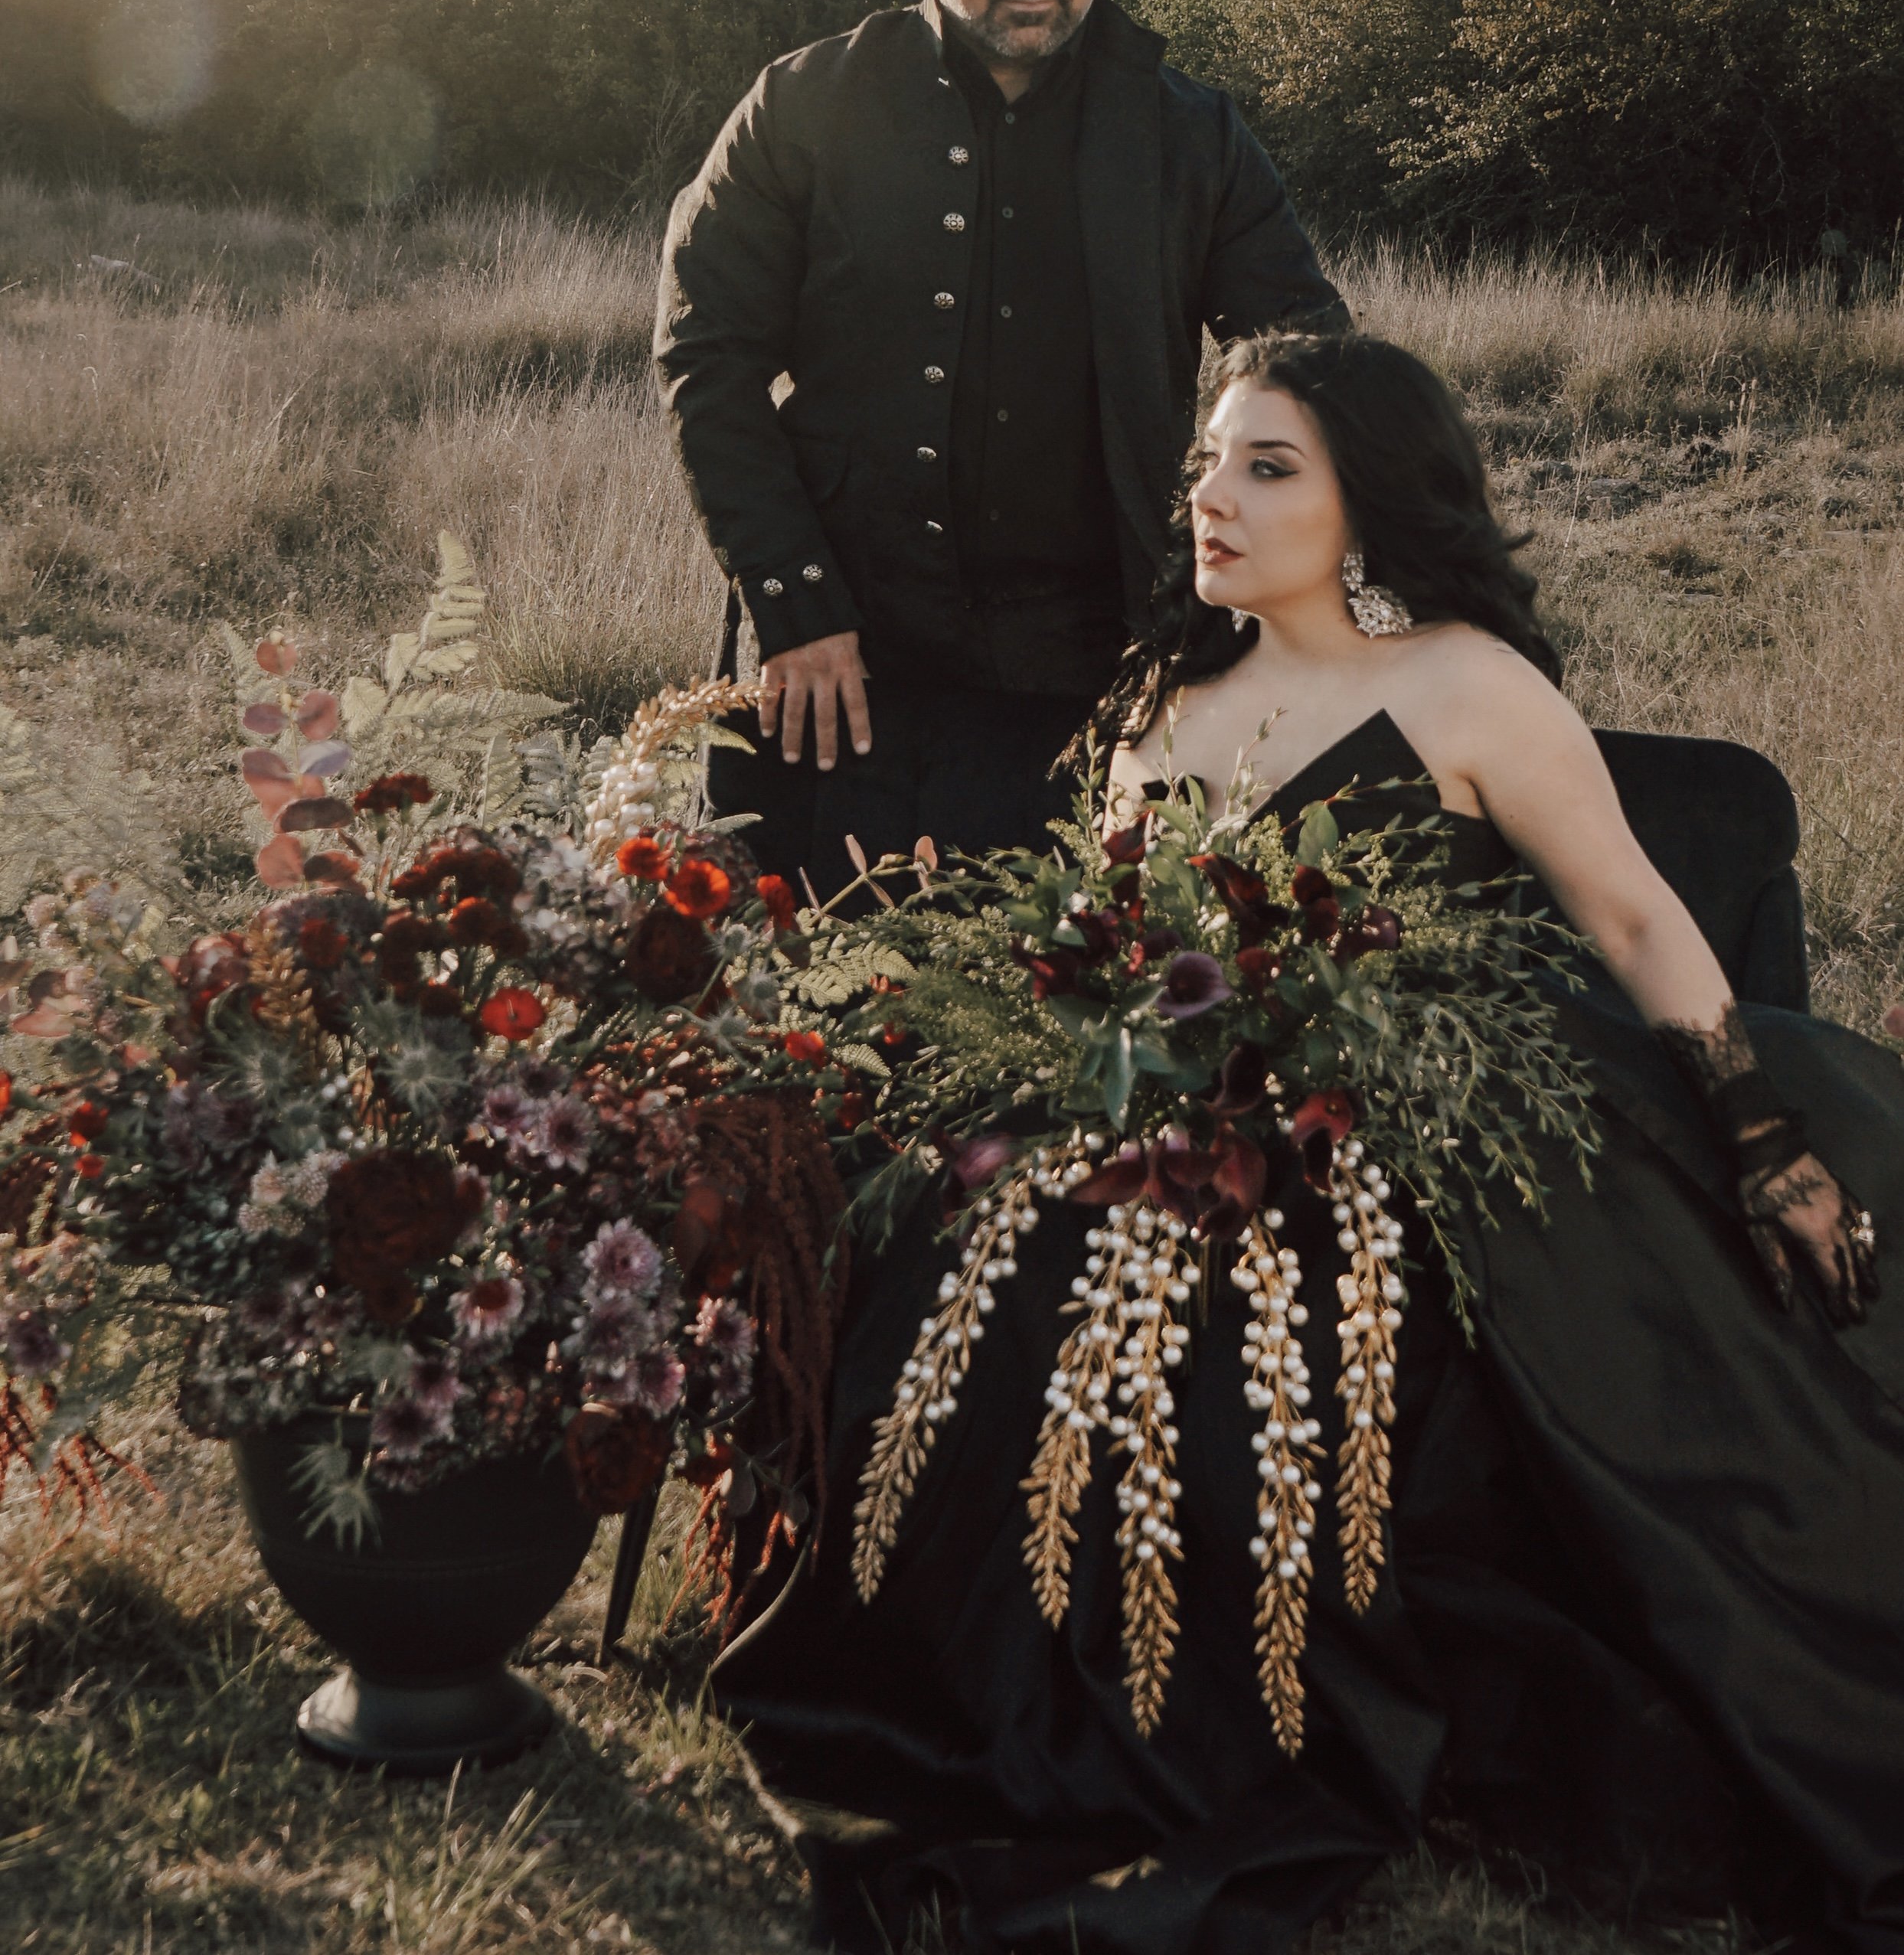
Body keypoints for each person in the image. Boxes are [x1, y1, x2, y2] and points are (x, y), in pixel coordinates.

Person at [718, 330, 1904, 1955]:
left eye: (1267, 466)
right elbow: (1118, 961)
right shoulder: (1156, 709)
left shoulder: (1461, 681)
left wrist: (1763, 1136)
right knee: (985, 1246)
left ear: (1368, 502)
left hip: (1415, 1136)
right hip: (1182, 1130)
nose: (1212, 495)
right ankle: (999, 1696)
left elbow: (1633, 915)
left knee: (1254, 1330)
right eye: (1207, 460)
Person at [653, 0, 1344, 900]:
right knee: (802, 974)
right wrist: (796, 602)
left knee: (1060, 981)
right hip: (839, 660)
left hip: (1100, 673)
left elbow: (1315, 368)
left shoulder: (1192, 136)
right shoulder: (804, 106)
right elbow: (706, 355)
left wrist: (1266, 610)